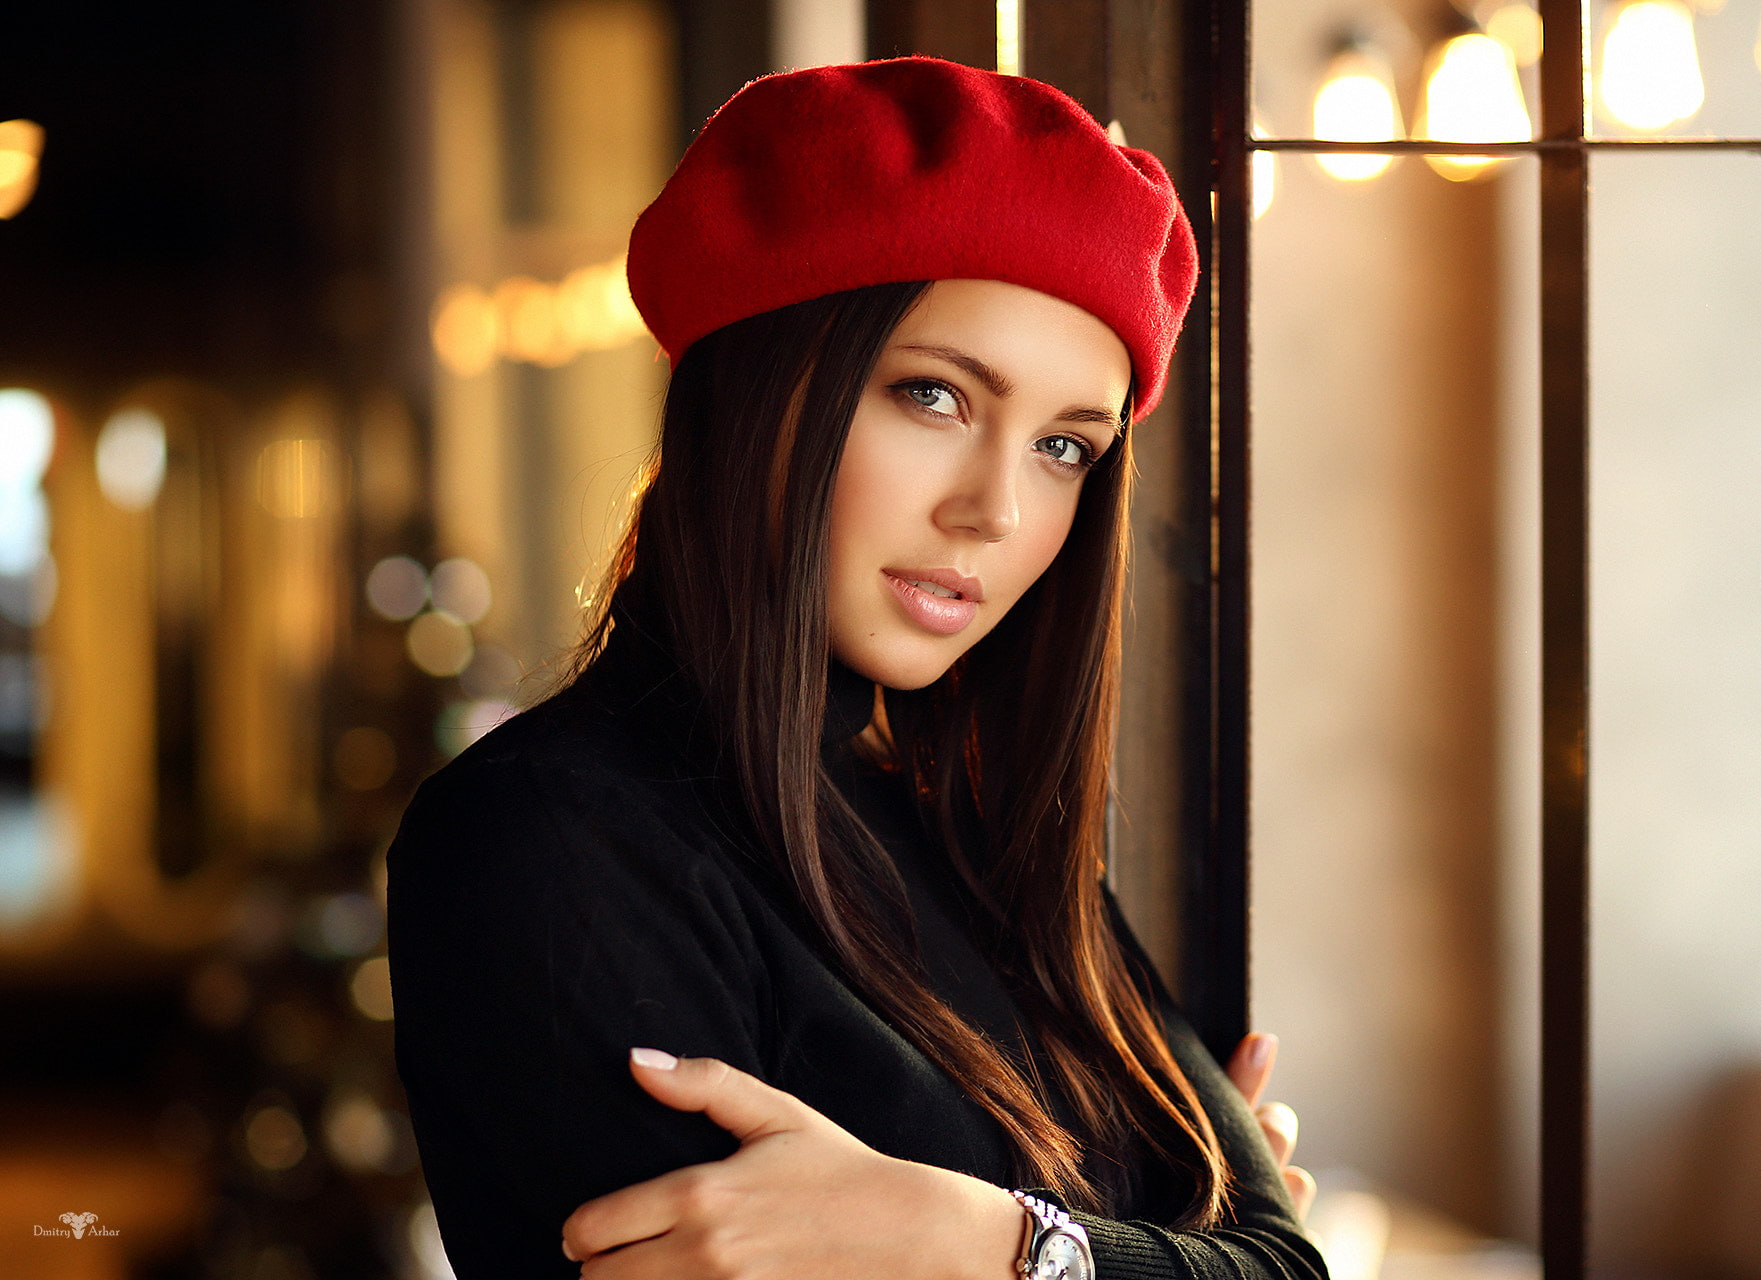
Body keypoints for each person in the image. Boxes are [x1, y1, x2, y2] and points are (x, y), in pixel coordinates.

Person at [387, 56, 1327, 1280]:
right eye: (933, 394)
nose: (995, 508)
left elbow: (1285, 1264)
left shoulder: (979, 835)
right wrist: (1149, 1248)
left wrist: (978, 1239)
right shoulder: (544, 840)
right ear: (761, 389)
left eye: (1063, 446)